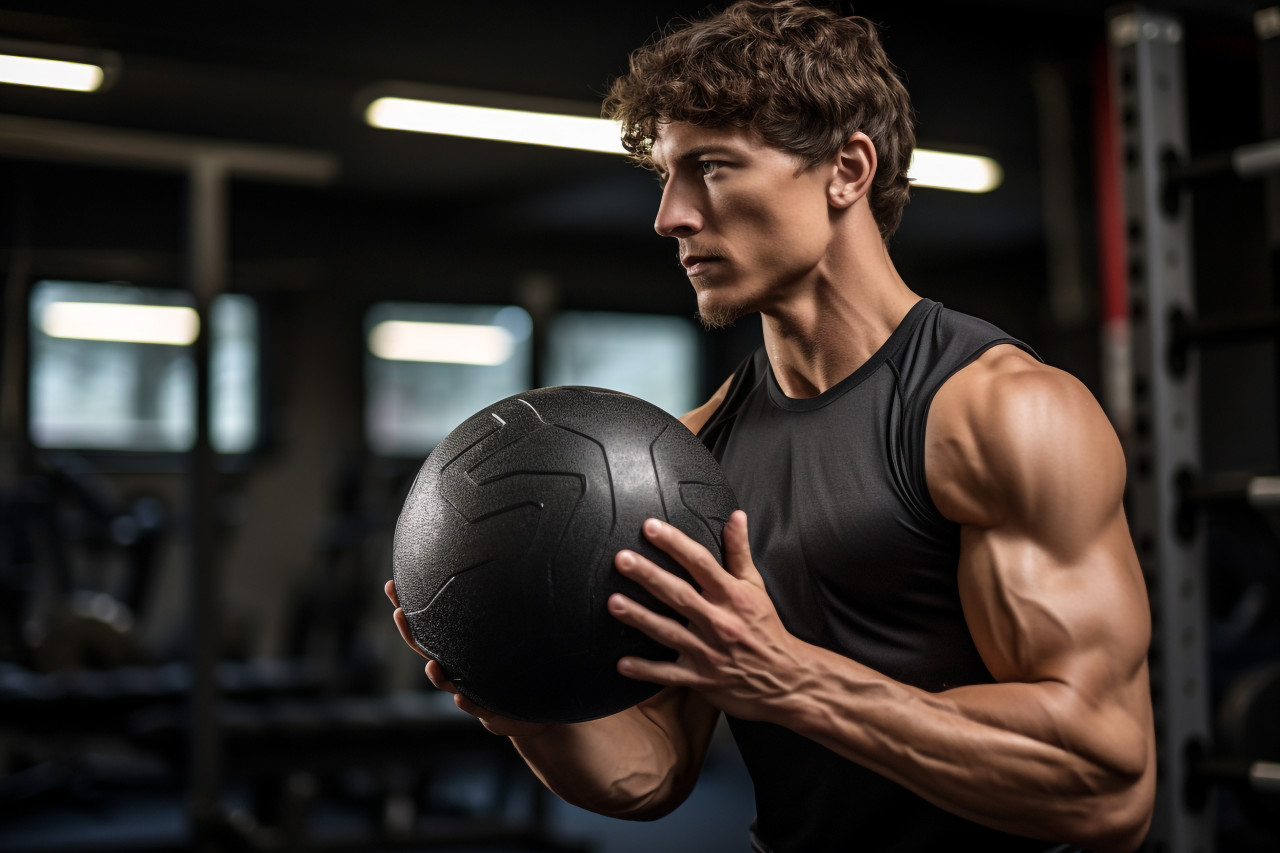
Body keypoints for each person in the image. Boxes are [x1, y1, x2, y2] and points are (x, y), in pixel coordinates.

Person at [386, 2, 1157, 851]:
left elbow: (1106, 782)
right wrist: (518, 696)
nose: (670, 217)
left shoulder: (1000, 412)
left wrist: (790, 679)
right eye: (666, 178)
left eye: (712, 168)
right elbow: (653, 769)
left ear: (847, 169)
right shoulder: (689, 455)